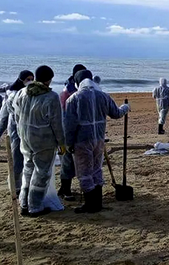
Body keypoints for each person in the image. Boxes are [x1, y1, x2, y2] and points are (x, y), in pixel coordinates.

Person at [64, 70, 130, 213]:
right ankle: (97, 202)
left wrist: (68, 144)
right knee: (96, 169)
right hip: (99, 139)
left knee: (84, 171)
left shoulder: (74, 99)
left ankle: (90, 205)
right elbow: (116, 113)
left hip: (82, 140)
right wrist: (125, 108)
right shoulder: (103, 96)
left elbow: (69, 125)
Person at [12, 65, 66, 217]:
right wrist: (62, 143)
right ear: (49, 80)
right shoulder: (51, 97)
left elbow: (16, 115)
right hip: (44, 140)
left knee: (28, 170)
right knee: (41, 173)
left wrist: (21, 132)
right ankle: (35, 206)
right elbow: (57, 123)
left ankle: (23, 203)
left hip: (25, 138)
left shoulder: (22, 92)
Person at [0, 70, 34, 195]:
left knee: (28, 160)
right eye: (28, 79)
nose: (30, 81)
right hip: (15, 130)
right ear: (21, 79)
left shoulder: (28, 93)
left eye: (32, 79)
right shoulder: (12, 94)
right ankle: (15, 187)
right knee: (17, 160)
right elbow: (3, 118)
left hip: (28, 131)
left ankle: (24, 185)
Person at [57, 64, 86, 202]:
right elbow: (65, 116)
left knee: (73, 162)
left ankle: (64, 188)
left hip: (79, 129)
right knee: (67, 161)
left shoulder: (79, 89)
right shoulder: (67, 92)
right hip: (66, 130)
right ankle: (66, 190)